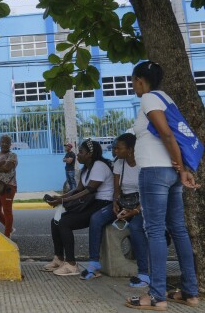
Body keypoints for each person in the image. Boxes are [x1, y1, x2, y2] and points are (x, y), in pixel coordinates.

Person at [125, 61, 199, 310]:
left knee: (155, 231)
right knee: (178, 229)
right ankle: (190, 292)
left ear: (139, 80)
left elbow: (167, 133)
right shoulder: (166, 98)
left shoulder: (148, 99)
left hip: (155, 172)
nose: (133, 85)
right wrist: (182, 169)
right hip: (170, 172)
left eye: (133, 81)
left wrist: (181, 167)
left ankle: (156, 296)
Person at [82, 133, 149, 287]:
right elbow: (117, 188)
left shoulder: (143, 164)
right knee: (96, 218)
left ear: (131, 150)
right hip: (125, 202)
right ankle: (94, 263)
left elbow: (147, 193)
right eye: (114, 148)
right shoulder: (119, 163)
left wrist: (137, 211)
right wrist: (115, 203)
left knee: (136, 227)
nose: (115, 151)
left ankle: (144, 274)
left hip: (142, 204)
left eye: (119, 148)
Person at [44, 139, 113, 276]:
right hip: (93, 203)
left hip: (104, 204)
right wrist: (60, 198)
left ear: (90, 154)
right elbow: (78, 189)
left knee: (65, 223)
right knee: (55, 221)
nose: (78, 154)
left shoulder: (99, 166)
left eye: (81, 152)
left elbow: (89, 190)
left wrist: (63, 200)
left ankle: (71, 265)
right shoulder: (86, 169)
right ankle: (59, 258)